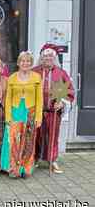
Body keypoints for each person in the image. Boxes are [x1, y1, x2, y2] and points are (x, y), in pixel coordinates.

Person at [33, 44, 75, 173]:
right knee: (36, 135)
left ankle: (52, 159)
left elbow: (69, 91)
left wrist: (62, 102)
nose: (48, 58)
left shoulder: (61, 73)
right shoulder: (35, 72)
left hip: (53, 112)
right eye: (45, 56)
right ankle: (34, 159)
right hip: (37, 111)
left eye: (50, 56)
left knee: (52, 135)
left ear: (54, 58)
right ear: (41, 57)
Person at [1, 51, 43, 178]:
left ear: (31, 63)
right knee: (14, 139)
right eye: (23, 61)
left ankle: (25, 168)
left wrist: (38, 117)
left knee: (28, 139)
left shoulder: (36, 77)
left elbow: (39, 99)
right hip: (15, 110)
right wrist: (8, 116)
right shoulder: (12, 77)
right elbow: (8, 99)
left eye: (28, 61)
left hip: (30, 111)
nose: (25, 63)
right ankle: (13, 168)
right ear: (19, 63)